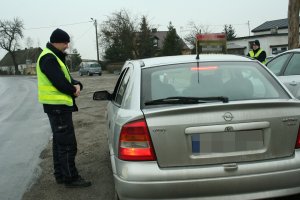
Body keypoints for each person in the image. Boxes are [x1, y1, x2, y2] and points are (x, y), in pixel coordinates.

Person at [36, 28, 91, 188]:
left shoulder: (53, 56)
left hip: (57, 107)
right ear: (57, 41)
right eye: (65, 42)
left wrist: (77, 84)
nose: (67, 45)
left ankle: (61, 175)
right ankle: (71, 178)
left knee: (59, 143)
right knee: (67, 144)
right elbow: (60, 82)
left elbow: (66, 78)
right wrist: (74, 90)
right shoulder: (48, 57)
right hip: (57, 107)